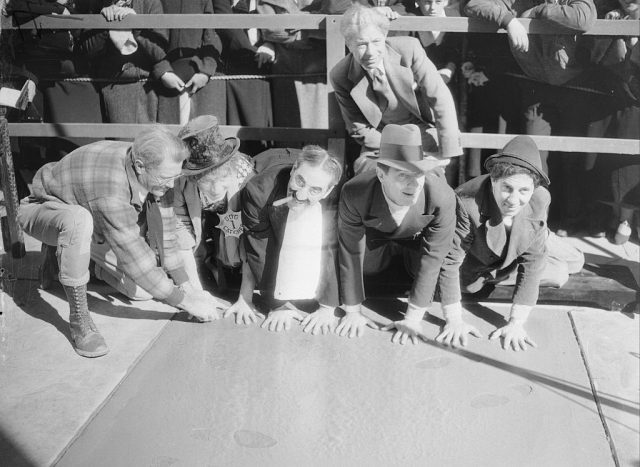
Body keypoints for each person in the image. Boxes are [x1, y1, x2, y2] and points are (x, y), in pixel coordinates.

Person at [18, 126, 223, 358]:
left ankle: (65, 259)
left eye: (176, 177)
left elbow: (167, 234)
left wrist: (187, 287)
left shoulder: (160, 168)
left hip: (91, 218)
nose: (170, 185)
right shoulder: (110, 189)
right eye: (166, 179)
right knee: (79, 221)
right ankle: (79, 320)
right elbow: (134, 255)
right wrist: (186, 303)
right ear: (139, 167)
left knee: (141, 292)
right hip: (45, 209)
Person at [437, 135, 584, 351]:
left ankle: (540, 235)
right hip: (480, 264)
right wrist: (454, 320)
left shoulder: (540, 197)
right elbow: (449, 263)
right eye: (507, 188)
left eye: (524, 190)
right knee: (560, 272)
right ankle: (531, 239)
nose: (514, 200)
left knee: (577, 260)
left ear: (533, 188)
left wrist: (516, 324)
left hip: (517, 236)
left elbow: (533, 261)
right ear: (493, 181)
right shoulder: (468, 206)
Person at [337, 123, 456, 343]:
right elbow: (350, 251)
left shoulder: (442, 196)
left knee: (419, 270)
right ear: (381, 175)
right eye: (403, 176)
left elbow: (433, 258)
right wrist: (352, 312)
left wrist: (413, 318)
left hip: (416, 246)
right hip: (376, 240)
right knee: (369, 269)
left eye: (419, 174)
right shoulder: (355, 192)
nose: (413, 185)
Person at [329, 3, 461, 175]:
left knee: (432, 177)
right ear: (349, 44)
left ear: (385, 36)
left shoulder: (409, 49)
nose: (371, 53)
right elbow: (358, 128)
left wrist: (447, 150)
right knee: (368, 174)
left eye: (376, 42)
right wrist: (400, 150)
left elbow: (440, 96)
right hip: (381, 141)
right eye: (361, 45)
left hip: (422, 131)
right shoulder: (340, 75)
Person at [240, 146, 343, 334]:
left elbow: (332, 250)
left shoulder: (337, 199)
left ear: (328, 191)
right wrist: (278, 303)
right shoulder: (257, 192)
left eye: (315, 190)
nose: (301, 194)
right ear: (294, 168)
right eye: (299, 181)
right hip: (269, 163)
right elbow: (261, 250)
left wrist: (328, 307)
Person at [170, 115, 255, 290]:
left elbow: (253, 235)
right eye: (207, 182)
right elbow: (182, 235)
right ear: (194, 178)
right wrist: (196, 290)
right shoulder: (180, 184)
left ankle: (229, 265)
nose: (216, 188)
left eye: (222, 179)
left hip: (233, 221)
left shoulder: (245, 176)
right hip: (200, 218)